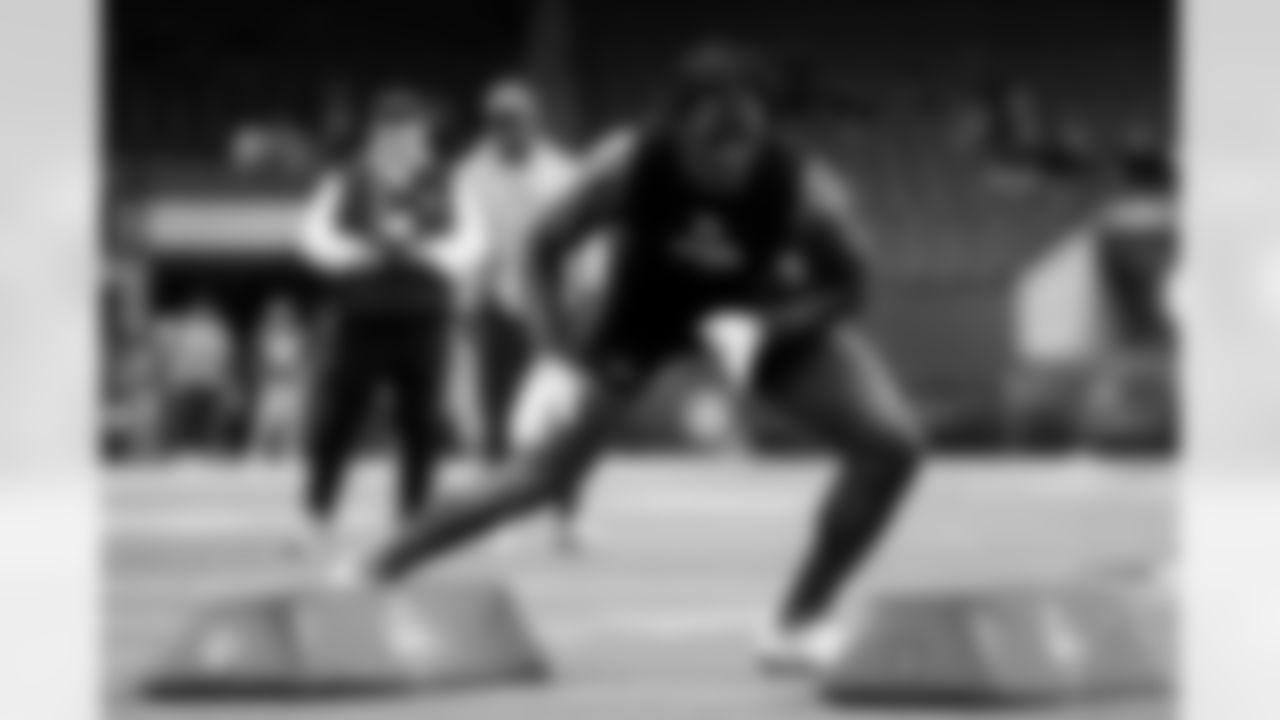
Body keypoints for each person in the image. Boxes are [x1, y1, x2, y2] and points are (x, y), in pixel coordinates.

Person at [339, 44, 926, 673]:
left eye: (745, 139)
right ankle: (367, 572)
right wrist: (558, 349)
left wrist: (772, 326)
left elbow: (852, 288)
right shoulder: (627, 166)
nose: (731, 157)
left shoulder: (805, 192)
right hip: (643, 315)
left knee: (893, 444)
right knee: (543, 478)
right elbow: (541, 249)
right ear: (674, 128)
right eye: (712, 139)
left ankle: (797, 624)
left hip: (755, 313)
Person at [298, 88, 485, 560]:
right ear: (376, 132)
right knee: (338, 421)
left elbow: (472, 243)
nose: (402, 139)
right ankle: (318, 517)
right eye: (391, 129)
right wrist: (365, 253)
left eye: (410, 129)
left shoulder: (447, 180)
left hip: (424, 318)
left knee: (420, 424)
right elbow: (314, 237)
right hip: (362, 316)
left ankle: (411, 521)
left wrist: (420, 251)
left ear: (423, 132)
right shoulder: (348, 178)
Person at [454, 78, 585, 550]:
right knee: (496, 420)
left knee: (563, 421)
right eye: (497, 122)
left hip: (554, 308)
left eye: (515, 120)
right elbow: (469, 245)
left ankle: (565, 519)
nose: (507, 130)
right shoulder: (470, 173)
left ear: (534, 122)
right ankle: (492, 519)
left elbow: (580, 243)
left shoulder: (562, 172)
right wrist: (466, 302)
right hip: (499, 305)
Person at [248, 299, 309, 458]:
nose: (280, 318)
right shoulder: (266, 337)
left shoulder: (296, 337)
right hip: (271, 385)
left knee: (291, 424)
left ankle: (290, 455)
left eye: (283, 315)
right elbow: (259, 363)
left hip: (290, 386)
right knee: (265, 422)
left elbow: (302, 362)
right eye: (276, 315)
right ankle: (258, 454)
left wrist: (298, 379)